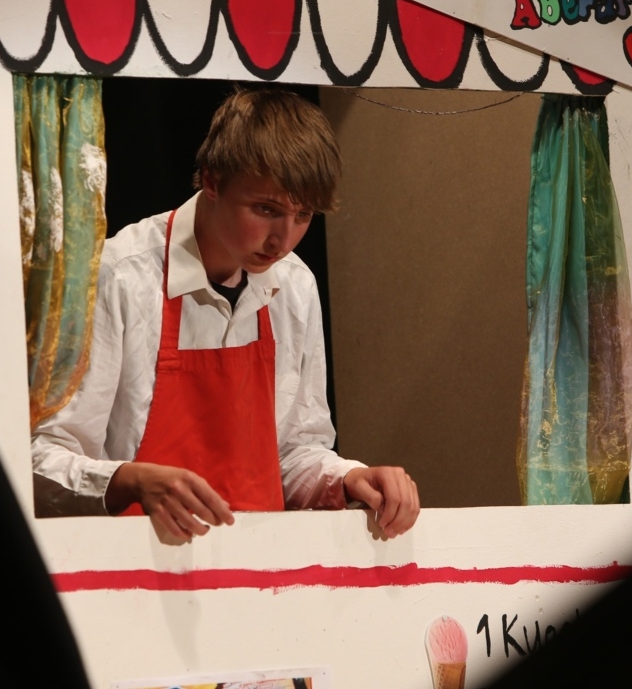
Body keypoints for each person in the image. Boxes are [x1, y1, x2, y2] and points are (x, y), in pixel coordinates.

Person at [32, 87, 420, 542]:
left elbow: (293, 452)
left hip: (254, 563)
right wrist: (131, 481)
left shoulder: (294, 286)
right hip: (136, 559)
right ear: (213, 182)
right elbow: (42, 461)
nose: (283, 240)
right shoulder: (119, 277)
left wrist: (350, 477)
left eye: (303, 215)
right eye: (266, 210)